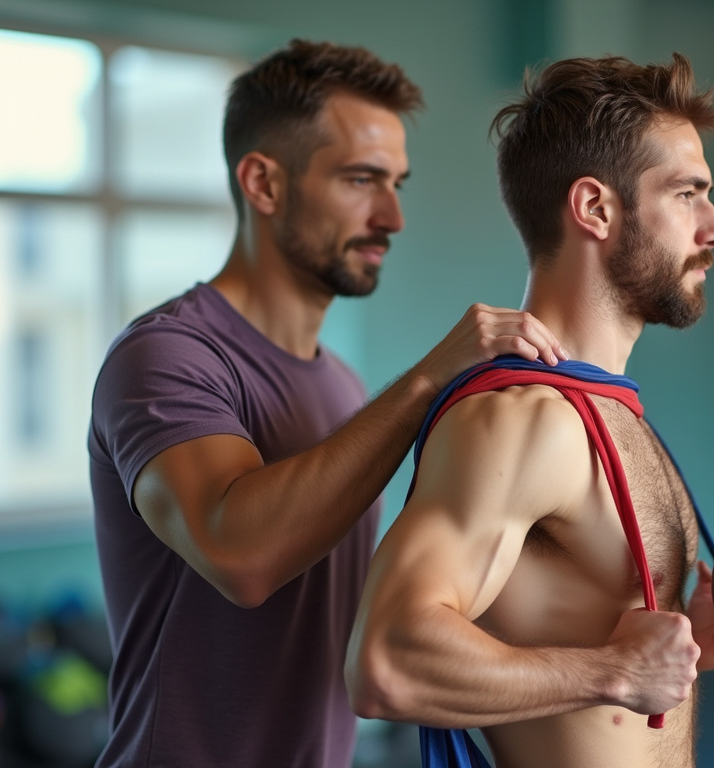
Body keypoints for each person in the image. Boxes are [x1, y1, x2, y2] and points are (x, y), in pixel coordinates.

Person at [86, 39, 571, 768]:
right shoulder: (166, 356)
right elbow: (241, 555)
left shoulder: (340, 384)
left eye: (396, 183)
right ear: (263, 183)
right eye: (361, 179)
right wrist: (425, 381)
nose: (392, 216)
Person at [345, 53, 714, 768]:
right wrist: (613, 670)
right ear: (594, 208)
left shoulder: (611, 409)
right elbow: (386, 663)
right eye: (686, 194)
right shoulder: (523, 420)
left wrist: (691, 639)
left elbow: (593, 650)